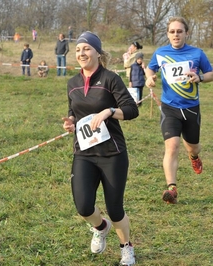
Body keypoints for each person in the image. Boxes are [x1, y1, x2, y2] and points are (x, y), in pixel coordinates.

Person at [62, 31, 138, 266]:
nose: (82, 53)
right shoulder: (72, 84)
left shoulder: (110, 79)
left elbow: (132, 109)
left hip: (112, 154)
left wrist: (109, 112)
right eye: (78, 50)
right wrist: (70, 122)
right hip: (84, 154)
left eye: (86, 49)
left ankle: (126, 247)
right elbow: (74, 112)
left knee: (115, 209)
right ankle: (100, 227)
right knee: (83, 206)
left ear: (97, 52)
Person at [145, 16, 213, 204]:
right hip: (170, 108)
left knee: (193, 145)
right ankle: (172, 188)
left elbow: (211, 74)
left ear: (186, 33)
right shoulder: (160, 53)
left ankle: (193, 156)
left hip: (191, 108)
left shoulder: (197, 53)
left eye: (179, 31)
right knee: (172, 145)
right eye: (172, 31)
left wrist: (199, 78)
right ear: (167, 34)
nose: (175, 35)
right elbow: (150, 69)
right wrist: (149, 78)